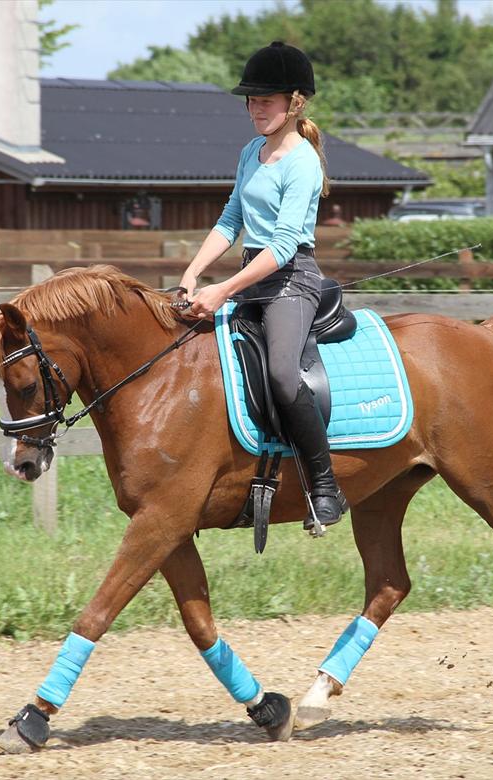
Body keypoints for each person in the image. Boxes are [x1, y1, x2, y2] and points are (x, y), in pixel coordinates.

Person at [179, 41, 347, 528]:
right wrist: (193, 273)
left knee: (280, 373)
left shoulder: (302, 163)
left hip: (291, 281)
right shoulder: (251, 151)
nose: (256, 109)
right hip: (251, 275)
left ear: (295, 103)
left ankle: (324, 486)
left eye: (265, 101)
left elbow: (283, 246)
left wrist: (223, 289)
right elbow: (231, 220)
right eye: (251, 101)